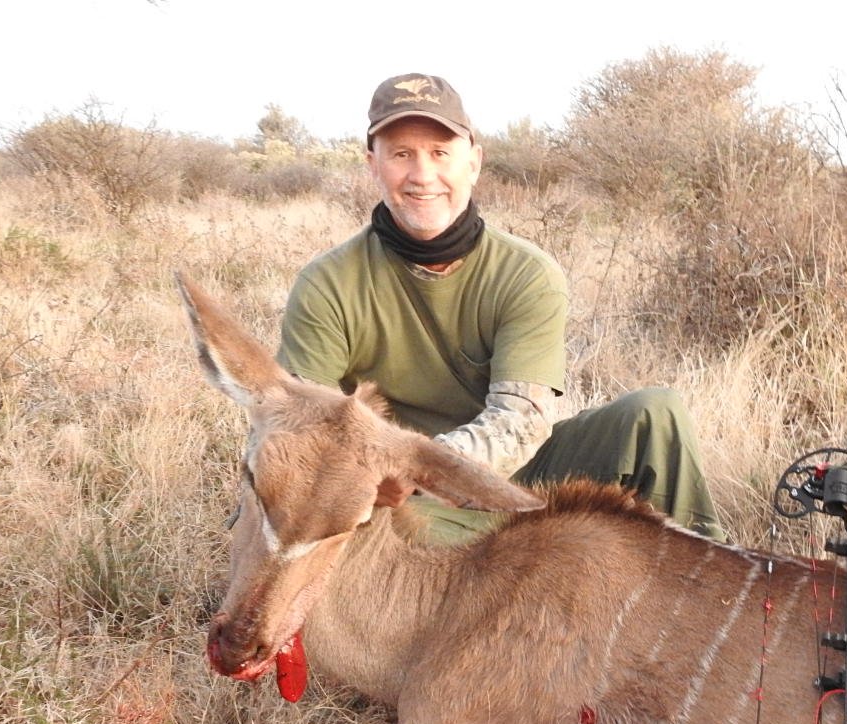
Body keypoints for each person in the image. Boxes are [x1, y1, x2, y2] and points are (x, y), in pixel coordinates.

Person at [276, 72, 725, 541]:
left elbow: (520, 421)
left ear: (473, 162)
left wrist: (416, 464)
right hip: (405, 499)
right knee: (384, 540)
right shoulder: (327, 283)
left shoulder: (527, 273)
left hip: (514, 474)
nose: (423, 175)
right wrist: (378, 475)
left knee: (655, 413)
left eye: (440, 153)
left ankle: (715, 584)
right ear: (373, 164)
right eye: (402, 154)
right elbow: (301, 432)